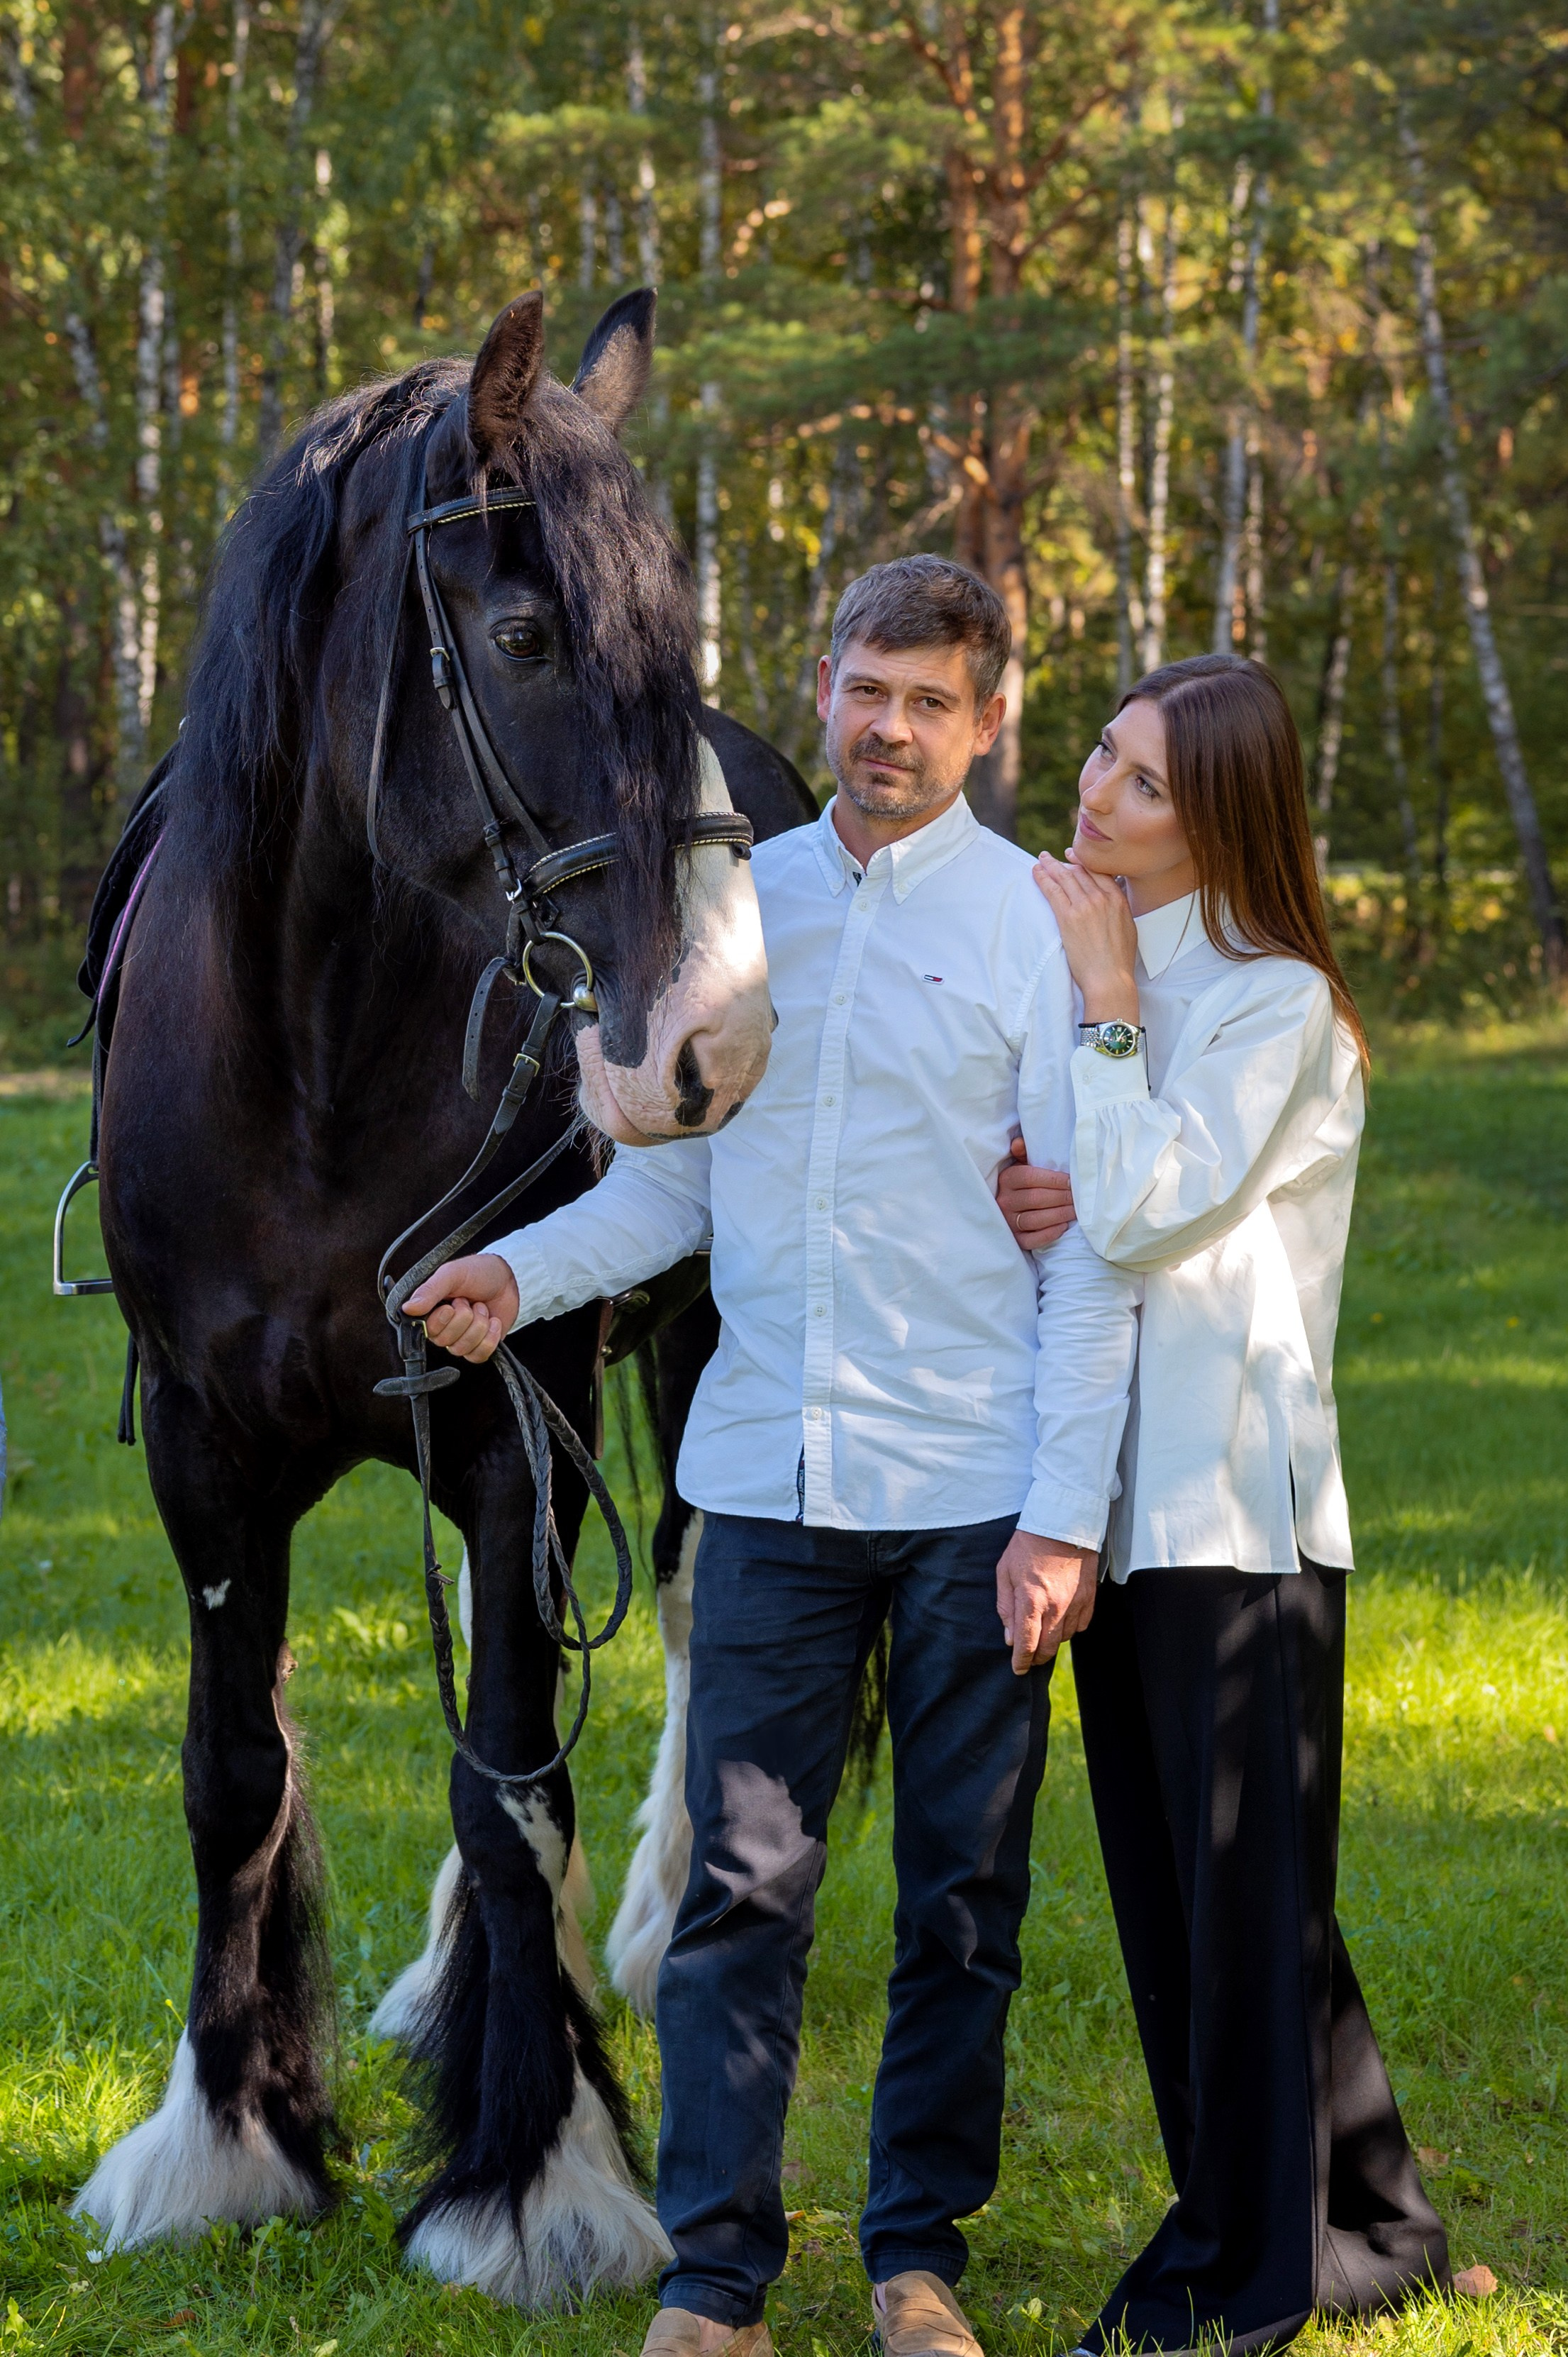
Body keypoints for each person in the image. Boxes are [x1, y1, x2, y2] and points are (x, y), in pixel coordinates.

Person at [405, 556, 1139, 2357]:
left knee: (961, 1907)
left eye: (927, 701)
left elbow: (1093, 1244)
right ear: (821, 687)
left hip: (974, 1495)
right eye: (863, 689)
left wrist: (1060, 1518)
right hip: (758, 1494)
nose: (885, 729)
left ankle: (916, 2266)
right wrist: (519, 1267)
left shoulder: (1042, 931)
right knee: (738, 1899)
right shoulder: (731, 912)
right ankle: (714, 2279)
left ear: (987, 722)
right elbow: (668, 1183)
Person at [998, 653, 1450, 2356]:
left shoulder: (1272, 1004)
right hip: (1108, 1507)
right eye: (1103, 760)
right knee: (1201, 1902)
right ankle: (1375, 2215)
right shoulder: (1091, 958)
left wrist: (1108, 1013)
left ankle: (1240, 2270)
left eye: (1141, 788)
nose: (1096, 800)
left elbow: (1131, 1213)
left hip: (1230, 1520)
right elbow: (1077, 1198)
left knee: (1235, 1907)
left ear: (1221, 821)